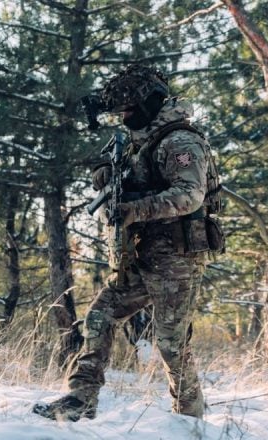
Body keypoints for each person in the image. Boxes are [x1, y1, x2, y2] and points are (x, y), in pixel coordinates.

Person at [32, 64, 222, 421]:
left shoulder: (181, 142)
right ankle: (80, 399)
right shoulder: (139, 141)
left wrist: (132, 209)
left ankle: (190, 420)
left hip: (176, 258)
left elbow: (189, 197)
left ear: (149, 103)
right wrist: (107, 175)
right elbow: (118, 174)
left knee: (171, 344)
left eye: (129, 110)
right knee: (100, 318)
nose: (124, 117)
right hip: (140, 254)